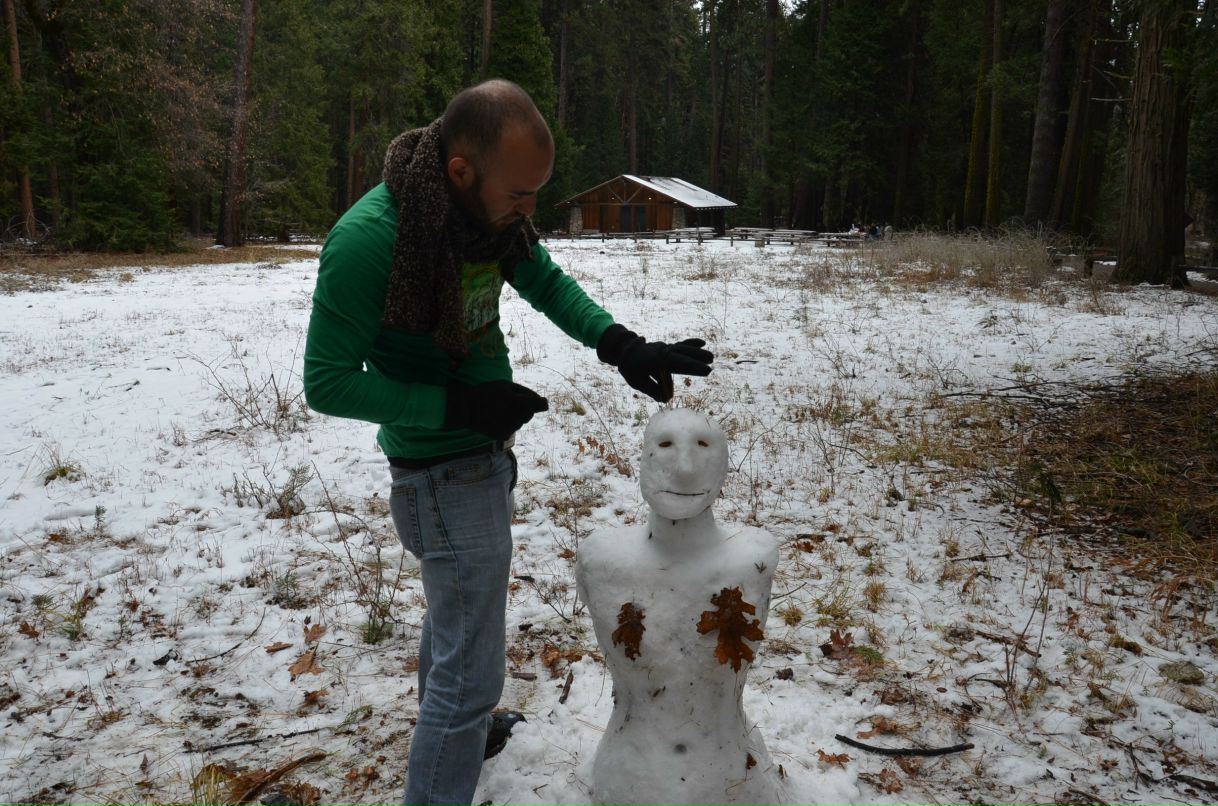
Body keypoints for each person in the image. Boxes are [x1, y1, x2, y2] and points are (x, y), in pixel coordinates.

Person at [302, 79, 714, 806]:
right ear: (461, 171)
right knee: (470, 674)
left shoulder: (483, 218)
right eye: (521, 195)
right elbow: (327, 382)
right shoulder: (369, 243)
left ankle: (467, 732)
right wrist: (453, 402)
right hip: (438, 473)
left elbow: (544, 280)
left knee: (455, 622)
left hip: (478, 457)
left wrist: (619, 344)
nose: (531, 212)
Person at [576, 409, 783, 806]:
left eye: (703, 448)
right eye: (666, 445)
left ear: (724, 467)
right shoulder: (601, 559)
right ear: (643, 461)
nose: (685, 469)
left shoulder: (754, 556)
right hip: (627, 777)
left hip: (732, 781)